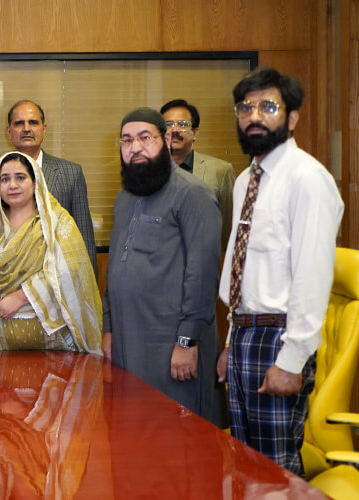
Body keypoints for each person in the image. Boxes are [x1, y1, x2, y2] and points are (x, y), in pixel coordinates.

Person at [217, 68, 344, 476]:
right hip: (243, 335)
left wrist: (291, 360)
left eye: (268, 106)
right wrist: (230, 343)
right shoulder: (244, 181)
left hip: (279, 337)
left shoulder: (308, 179)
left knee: (275, 470)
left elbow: (313, 276)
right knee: (244, 465)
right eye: (245, 107)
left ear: (291, 118)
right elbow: (244, 272)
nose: (254, 116)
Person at [102, 107, 223, 426]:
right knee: (136, 440)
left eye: (145, 137)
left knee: (178, 444)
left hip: (172, 345)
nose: (135, 147)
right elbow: (114, 269)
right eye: (127, 140)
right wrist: (109, 328)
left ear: (166, 139)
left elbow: (203, 275)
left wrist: (187, 342)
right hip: (129, 342)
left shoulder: (193, 194)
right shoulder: (125, 197)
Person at [0, 151, 102, 353]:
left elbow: (70, 271)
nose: (12, 185)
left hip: (50, 340)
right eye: (4, 179)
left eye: (20, 177)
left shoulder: (56, 222)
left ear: (35, 182)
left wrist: (22, 296)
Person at [0, 100, 98, 276]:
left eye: (33, 122)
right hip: (1, 283)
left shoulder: (71, 173)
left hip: (56, 284)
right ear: (9, 131)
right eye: (19, 123)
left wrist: (87, 288)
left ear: (43, 129)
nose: (26, 128)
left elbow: (84, 239)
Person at [161, 99, 236, 249]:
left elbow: (228, 228)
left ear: (195, 133)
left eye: (182, 124)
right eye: (168, 125)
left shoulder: (220, 170)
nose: (174, 130)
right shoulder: (147, 172)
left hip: (204, 261)